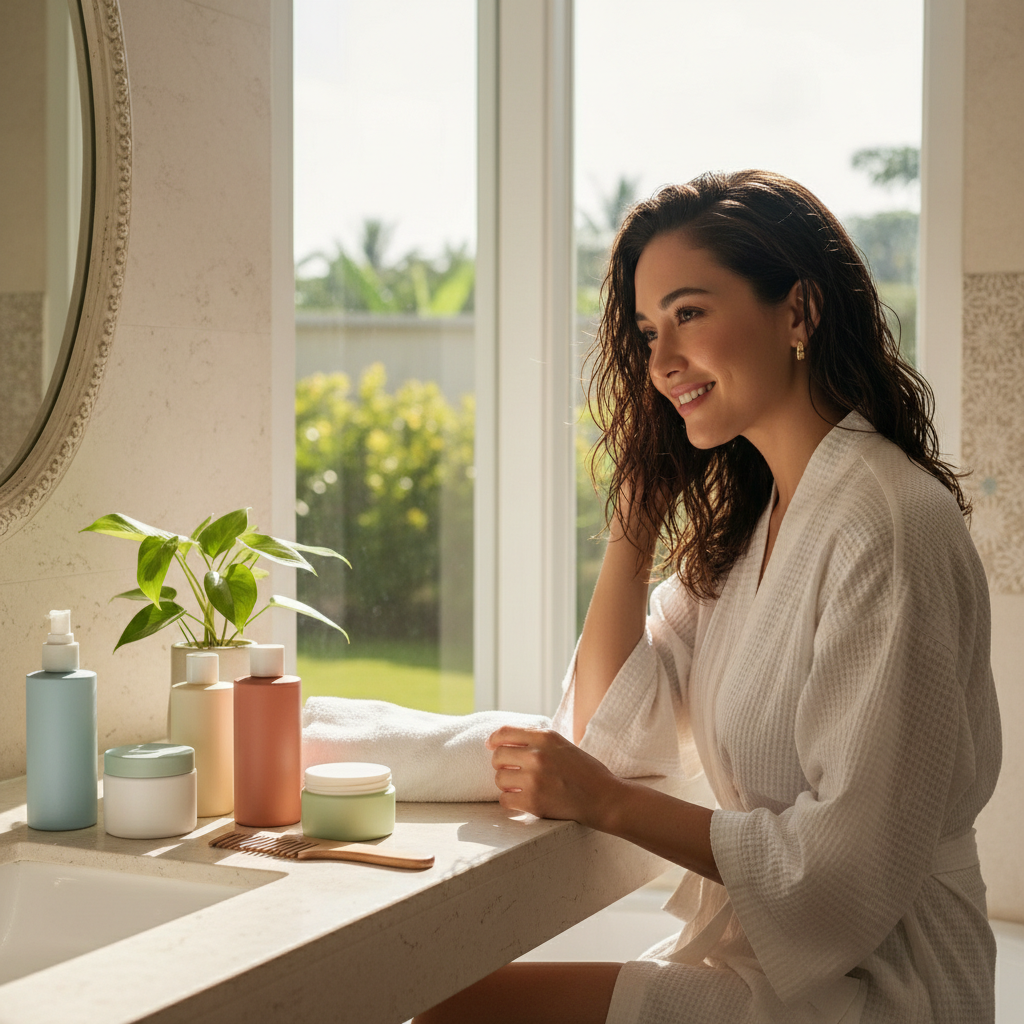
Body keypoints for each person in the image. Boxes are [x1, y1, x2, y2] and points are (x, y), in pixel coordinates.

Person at [413, 170, 1001, 1024]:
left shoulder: (887, 522)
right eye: (649, 330)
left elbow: (849, 865)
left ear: (797, 313)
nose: (659, 361)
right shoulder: (761, 523)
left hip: (886, 983)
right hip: (774, 957)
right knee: (445, 1001)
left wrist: (605, 802)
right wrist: (634, 522)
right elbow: (612, 723)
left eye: (689, 314)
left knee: (456, 1010)